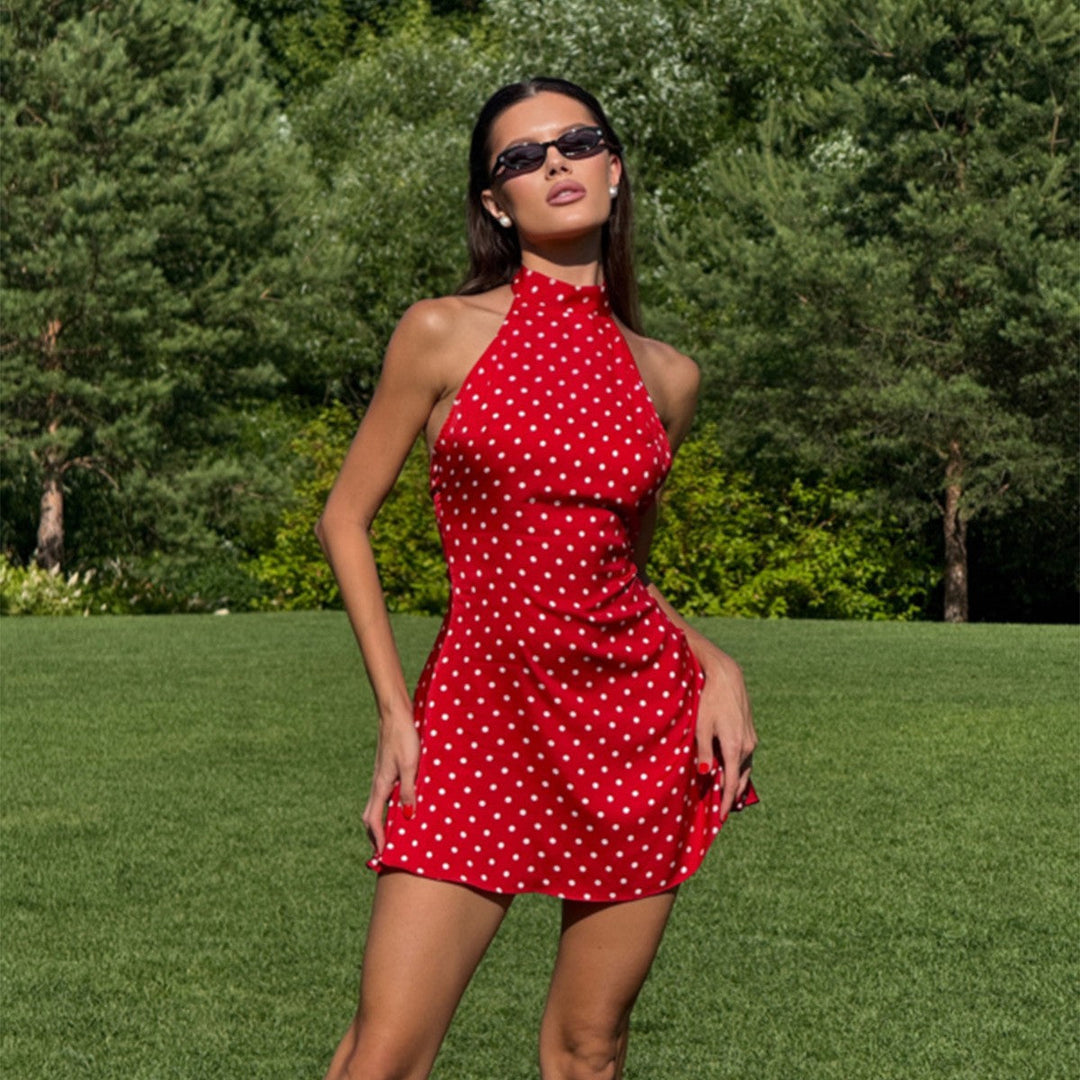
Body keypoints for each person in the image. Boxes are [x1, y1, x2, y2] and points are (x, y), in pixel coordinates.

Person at [315, 76, 758, 1080]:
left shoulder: (666, 376)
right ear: (493, 203)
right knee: (385, 1053)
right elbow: (345, 519)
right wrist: (395, 712)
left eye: (575, 142)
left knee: (588, 1049)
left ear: (614, 167)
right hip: (476, 718)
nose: (553, 164)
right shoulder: (441, 332)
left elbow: (614, 573)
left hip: (633, 730)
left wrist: (710, 661)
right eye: (521, 157)